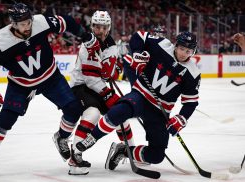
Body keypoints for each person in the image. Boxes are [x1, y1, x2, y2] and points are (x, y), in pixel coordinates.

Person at [0, 2, 95, 176]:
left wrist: (84, 34)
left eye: (28, 21)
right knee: (5, 120)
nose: (27, 26)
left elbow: (66, 22)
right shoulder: (0, 40)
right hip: (21, 85)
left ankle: (61, 137)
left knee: (74, 109)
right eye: (22, 24)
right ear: (13, 24)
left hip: (50, 78)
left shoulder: (40, 22)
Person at [76, 31, 201, 171]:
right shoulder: (161, 45)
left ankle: (124, 151)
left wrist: (182, 118)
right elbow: (138, 36)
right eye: (182, 49)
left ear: (193, 52)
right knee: (120, 110)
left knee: (156, 156)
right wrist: (138, 54)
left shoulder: (193, 73)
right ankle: (92, 137)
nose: (184, 53)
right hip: (141, 95)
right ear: (176, 45)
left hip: (160, 112)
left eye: (188, 51)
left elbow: (190, 102)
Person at [68, 10, 135, 175]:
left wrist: (114, 70)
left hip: (98, 87)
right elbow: (90, 79)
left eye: (104, 27)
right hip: (81, 86)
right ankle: (75, 157)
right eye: (97, 27)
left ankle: (129, 151)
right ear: (92, 27)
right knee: (92, 114)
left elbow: (110, 72)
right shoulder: (87, 45)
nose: (101, 31)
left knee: (122, 114)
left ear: (109, 27)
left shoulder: (111, 44)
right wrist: (107, 94)